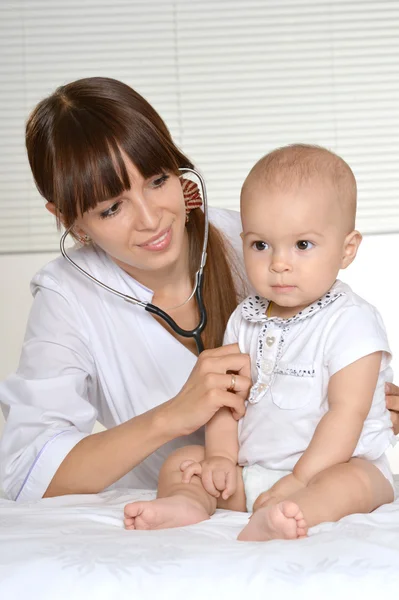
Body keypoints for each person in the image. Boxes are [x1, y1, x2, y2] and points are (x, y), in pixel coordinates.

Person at [0, 79, 398, 504]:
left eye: (156, 180)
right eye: (112, 207)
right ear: (70, 220)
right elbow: (25, 472)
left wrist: (371, 407)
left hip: (307, 481)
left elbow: (334, 343)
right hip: (212, 491)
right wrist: (172, 416)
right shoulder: (67, 295)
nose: (151, 219)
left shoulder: (254, 239)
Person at [123, 145, 397, 541]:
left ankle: (290, 515)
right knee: (184, 461)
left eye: (302, 245)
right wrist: (219, 458)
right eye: (260, 245)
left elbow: (347, 415)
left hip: (332, 467)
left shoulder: (351, 320)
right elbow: (227, 403)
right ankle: (187, 503)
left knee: (354, 484)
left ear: (347, 249)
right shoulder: (245, 319)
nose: (278, 263)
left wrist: (300, 479)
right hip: (256, 473)